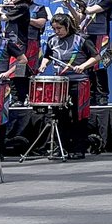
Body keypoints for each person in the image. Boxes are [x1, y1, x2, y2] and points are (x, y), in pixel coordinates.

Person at [38, 13, 100, 160]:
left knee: (79, 117)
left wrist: (83, 65)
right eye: (54, 28)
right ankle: (63, 147)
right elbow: (47, 55)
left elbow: (96, 56)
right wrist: (43, 65)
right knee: (61, 116)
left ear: (67, 26)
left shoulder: (81, 39)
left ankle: (79, 148)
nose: (56, 31)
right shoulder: (52, 40)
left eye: (59, 28)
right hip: (60, 83)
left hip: (79, 82)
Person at [64, 0, 112, 105]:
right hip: (86, 36)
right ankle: (90, 95)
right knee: (87, 67)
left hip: (100, 36)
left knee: (100, 66)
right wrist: (69, 5)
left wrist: (79, 1)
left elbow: (90, 11)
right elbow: (78, 19)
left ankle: (102, 95)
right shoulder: (88, 0)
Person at [0, 0, 32, 106]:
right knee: (10, 71)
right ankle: (15, 97)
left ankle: (20, 98)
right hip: (10, 41)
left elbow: (4, 18)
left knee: (18, 71)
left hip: (18, 42)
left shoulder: (23, 6)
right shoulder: (14, 6)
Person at [0, 14, 24, 128]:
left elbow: (23, 60)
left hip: (0, 86)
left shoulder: (6, 43)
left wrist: (8, 73)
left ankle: (0, 145)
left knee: (1, 119)